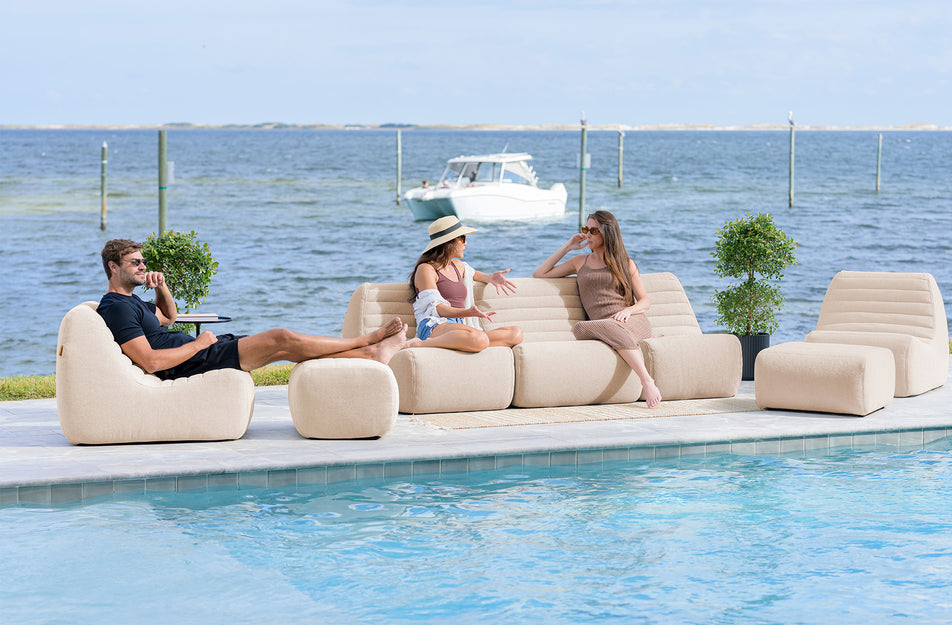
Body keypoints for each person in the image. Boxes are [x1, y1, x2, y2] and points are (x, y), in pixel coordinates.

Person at [97, 238, 406, 378]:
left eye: (144, 262)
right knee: (281, 338)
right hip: (192, 361)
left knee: (284, 349)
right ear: (113, 267)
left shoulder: (130, 301)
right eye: (135, 263)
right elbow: (150, 362)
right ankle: (365, 341)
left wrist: (161, 285)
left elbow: (168, 317)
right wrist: (199, 344)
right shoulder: (116, 306)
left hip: (199, 353)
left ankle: (369, 354)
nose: (143, 267)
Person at [533, 209, 662, 407]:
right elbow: (540, 274)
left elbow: (645, 302)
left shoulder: (626, 264)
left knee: (612, 326)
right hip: (604, 325)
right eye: (586, 229)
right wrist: (568, 246)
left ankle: (647, 380)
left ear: (607, 233)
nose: (587, 235)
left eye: (593, 231)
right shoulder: (579, 262)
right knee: (580, 328)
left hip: (631, 321)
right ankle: (635, 342)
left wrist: (628, 311)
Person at [405, 215, 523, 353]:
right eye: (462, 239)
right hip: (435, 324)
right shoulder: (426, 269)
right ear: (448, 242)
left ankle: (464, 342)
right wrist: (467, 312)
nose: (465, 243)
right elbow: (436, 309)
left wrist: (492, 277)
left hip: (458, 325)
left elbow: (476, 275)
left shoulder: (458, 266)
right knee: (480, 339)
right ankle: (419, 344)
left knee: (516, 333)